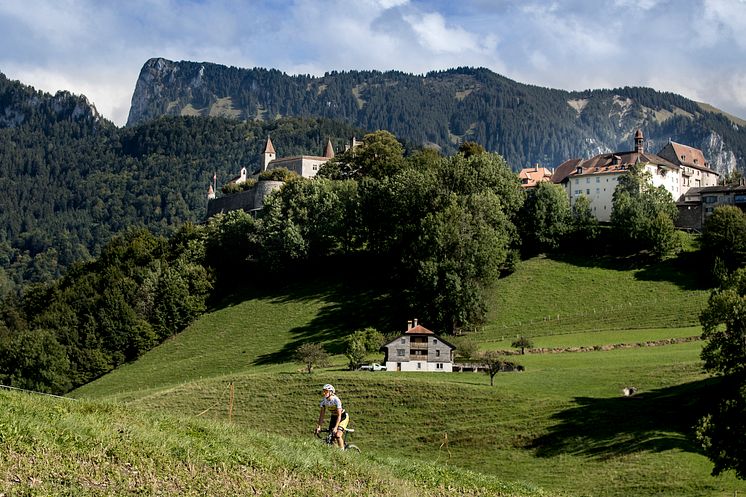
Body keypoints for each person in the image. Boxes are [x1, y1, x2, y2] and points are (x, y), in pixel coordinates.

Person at [315, 383, 349, 449]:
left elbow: (339, 415)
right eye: (323, 391)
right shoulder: (323, 401)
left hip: (342, 417)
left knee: (338, 435)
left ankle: (343, 454)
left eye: (326, 391)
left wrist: (336, 427)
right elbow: (322, 415)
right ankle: (335, 452)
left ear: (331, 392)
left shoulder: (336, 400)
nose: (324, 393)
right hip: (334, 417)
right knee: (332, 438)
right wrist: (319, 427)